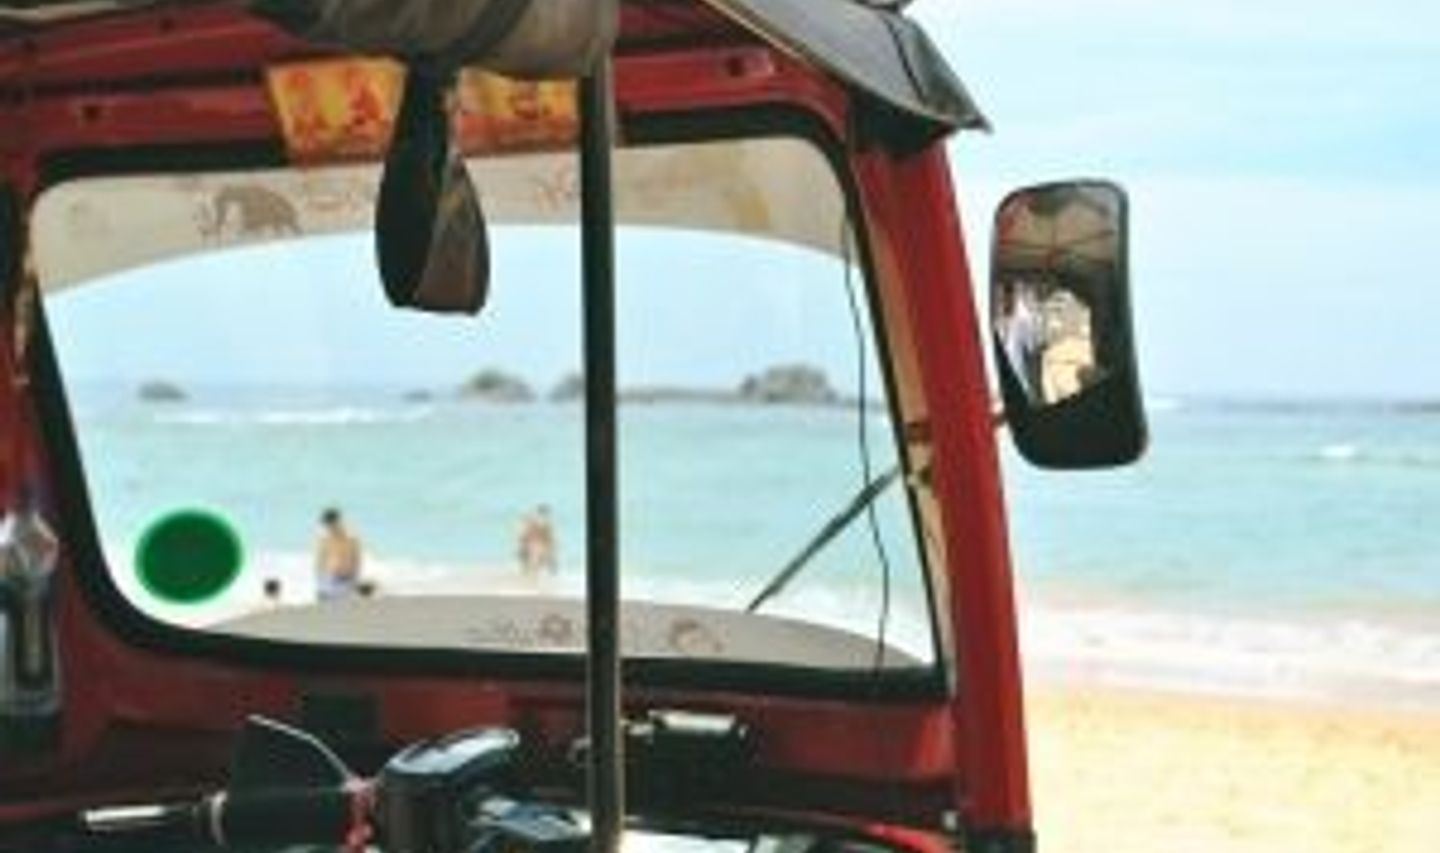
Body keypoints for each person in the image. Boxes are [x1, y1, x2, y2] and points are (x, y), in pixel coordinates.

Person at [314, 507, 363, 601]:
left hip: (348, 580)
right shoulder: (324, 540)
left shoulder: (351, 538)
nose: (330, 527)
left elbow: (357, 560)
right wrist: (320, 585)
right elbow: (320, 563)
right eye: (327, 525)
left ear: (338, 521)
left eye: (331, 523)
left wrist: (355, 579)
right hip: (331, 580)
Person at [516, 505, 557, 577]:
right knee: (533, 564)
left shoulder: (539, 523)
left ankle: (530, 577)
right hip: (535, 545)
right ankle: (532, 577)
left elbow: (523, 535)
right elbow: (549, 538)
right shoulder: (543, 523)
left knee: (531, 565)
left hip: (535, 545)